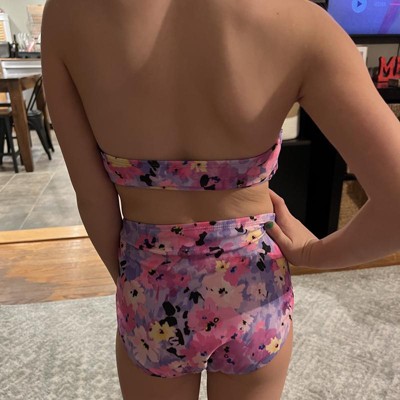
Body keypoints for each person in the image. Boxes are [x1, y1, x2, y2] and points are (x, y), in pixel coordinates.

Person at [41, 0, 400, 399]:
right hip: (253, 287)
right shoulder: (300, 20)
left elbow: (93, 199)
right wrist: (313, 253)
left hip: (150, 286)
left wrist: (135, 287)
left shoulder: (67, 13)